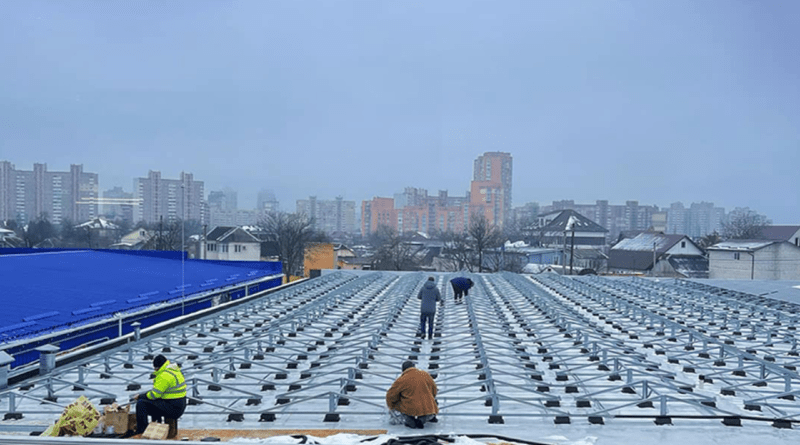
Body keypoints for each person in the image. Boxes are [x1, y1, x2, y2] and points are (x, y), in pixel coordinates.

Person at [131, 355, 187, 436]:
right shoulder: (174, 370)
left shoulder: (164, 375)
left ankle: (141, 430)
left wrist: (140, 396)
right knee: (155, 402)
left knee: (141, 404)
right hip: (179, 405)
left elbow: (154, 395)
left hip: (172, 408)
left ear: (157, 367)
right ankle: (157, 426)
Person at [386, 361, 438, 429]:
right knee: (431, 405)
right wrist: (431, 399)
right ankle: (423, 419)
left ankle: (410, 420)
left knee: (403, 407)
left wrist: (391, 406)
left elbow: (390, 395)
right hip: (427, 407)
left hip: (410, 408)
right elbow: (434, 389)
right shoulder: (425, 375)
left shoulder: (402, 379)